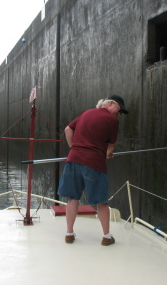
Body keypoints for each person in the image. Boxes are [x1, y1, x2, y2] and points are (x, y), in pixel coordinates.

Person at [57, 95, 128, 246]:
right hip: (94, 162)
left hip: (73, 159)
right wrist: (108, 154)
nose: (119, 114)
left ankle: (69, 234)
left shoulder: (86, 113)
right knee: (101, 202)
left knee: (72, 198)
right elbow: (111, 146)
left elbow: (68, 129)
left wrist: (74, 148)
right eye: (119, 110)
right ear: (110, 104)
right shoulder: (112, 120)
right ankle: (107, 237)